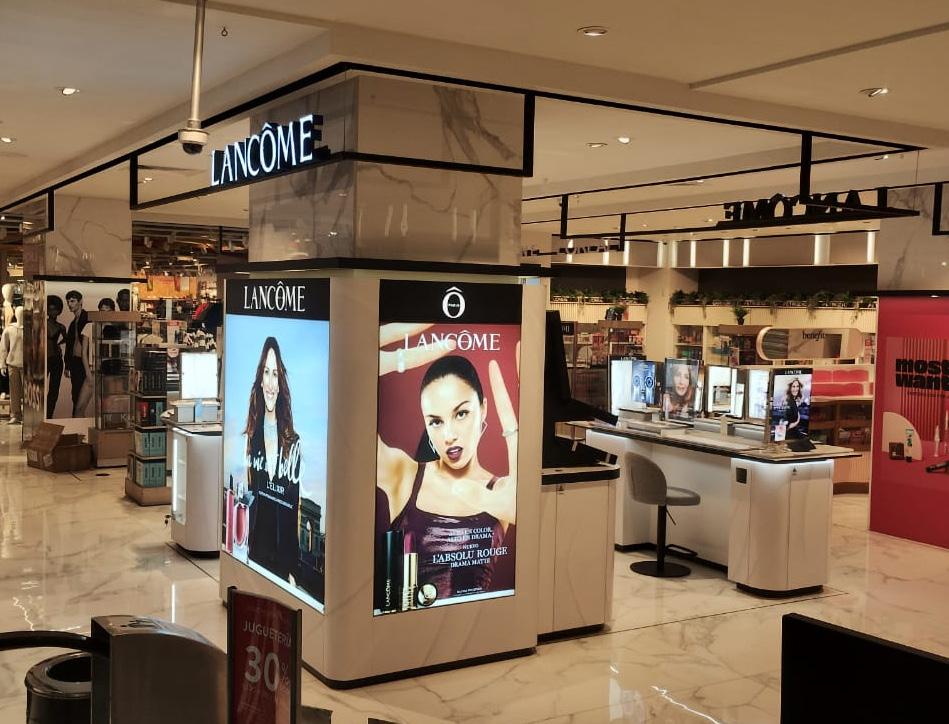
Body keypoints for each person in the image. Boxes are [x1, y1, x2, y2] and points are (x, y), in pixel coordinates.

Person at [376, 323, 518, 604]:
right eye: (436, 421)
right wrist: (359, 367)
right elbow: (346, 434)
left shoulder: (503, 491)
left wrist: (531, 507)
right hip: (400, 627)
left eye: (461, 413)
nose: (449, 435)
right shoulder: (403, 475)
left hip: (478, 626)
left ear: (483, 409)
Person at [244, 337, 301, 584]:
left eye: (275, 374)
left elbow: (293, 508)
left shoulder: (292, 442)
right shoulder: (252, 436)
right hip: (255, 548)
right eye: (266, 373)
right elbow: (250, 492)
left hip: (281, 557)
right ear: (260, 379)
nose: (270, 382)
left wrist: (292, 568)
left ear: (281, 382)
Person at [63, 290, 88, 417]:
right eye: (68, 302)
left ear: (80, 301)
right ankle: (77, 420)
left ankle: (78, 420)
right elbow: (70, 345)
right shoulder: (73, 323)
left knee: (81, 395)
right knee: (76, 394)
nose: (69, 304)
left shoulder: (87, 318)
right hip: (76, 362)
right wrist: (67, 365)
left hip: (85, 361)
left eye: (72, 301)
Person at [1, 309, 24, 424]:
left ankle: (28, 415)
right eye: (19, 313)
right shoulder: (9, 329)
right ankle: (15, 415)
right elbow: (3, 348)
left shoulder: (30, 329)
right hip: (12, 364)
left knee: (28, 393)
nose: (21, 315)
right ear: (15, 314)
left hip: (27, 366)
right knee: (14, 391)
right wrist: (2, 365)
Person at [46, 296, 66, 419]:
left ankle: (49, 415)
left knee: (54, 390)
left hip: (57, 359)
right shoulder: (44, 324)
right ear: (47, 310)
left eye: (55, 309)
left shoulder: (61, 326)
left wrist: (58, 344)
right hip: (45, 358)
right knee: (42, 388)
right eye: (50, 309)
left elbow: (68, 339)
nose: (53, 312)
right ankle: (44, 415)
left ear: (59, 311)